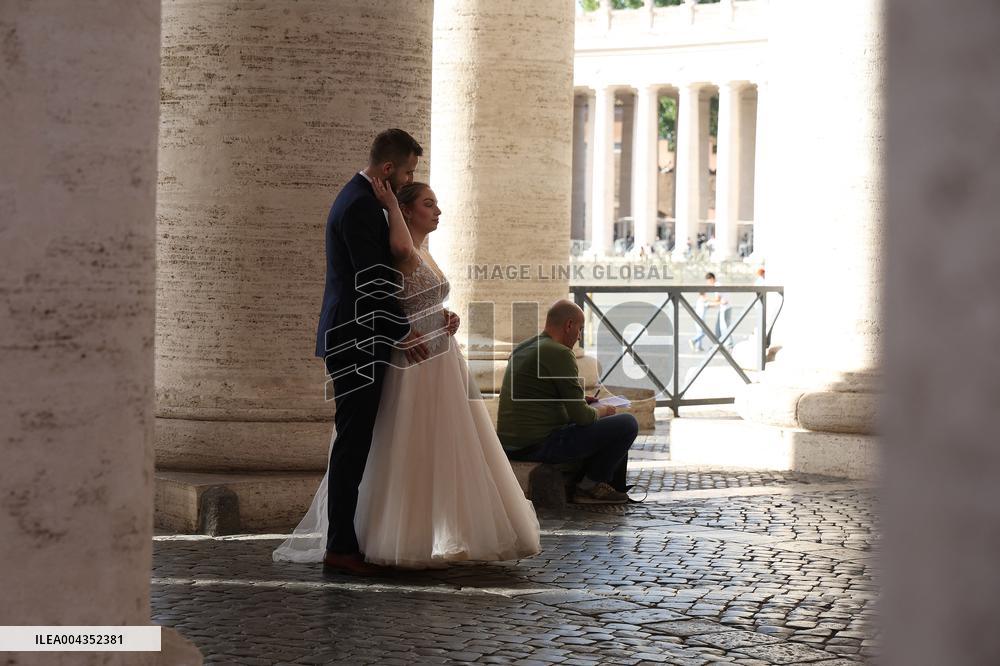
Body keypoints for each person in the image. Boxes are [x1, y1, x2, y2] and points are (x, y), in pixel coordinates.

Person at [276, 165, 539, 572]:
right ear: (407, 210)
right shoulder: (397, 247)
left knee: (447, 443)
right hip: (413, 359)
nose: (438, 211)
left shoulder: (423, 250)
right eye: (428, 204)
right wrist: (389, 204)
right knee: (409, 444)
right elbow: (394, 274)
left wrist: (443, 316)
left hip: (441, 357)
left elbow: (421, 298)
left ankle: (449, 531)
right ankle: (400, 537)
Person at [496, 301, 639, 504]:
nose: (579, 336)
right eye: (580, 329)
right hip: (537, 445)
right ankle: (589, 487)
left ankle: (597, 482)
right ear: (569, 325)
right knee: (627, 424)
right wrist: (604, 410)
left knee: (607, 423)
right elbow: (582, 417)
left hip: (511, 443)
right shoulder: (559, 352)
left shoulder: (524, 347)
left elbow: (541, 397)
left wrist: (582, 401)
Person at [689, 271, 733, 352]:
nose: (708, 284)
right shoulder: (718, 285)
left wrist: (707, 299)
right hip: (723, 307)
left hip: (725, 308)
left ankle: (728, 345)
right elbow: (715, 302)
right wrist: (718, 303)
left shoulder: (717, 286)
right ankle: (718, 344)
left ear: (712, 279)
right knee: (718, 328)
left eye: (708, 281)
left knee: (724, 327)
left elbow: (717, 300)